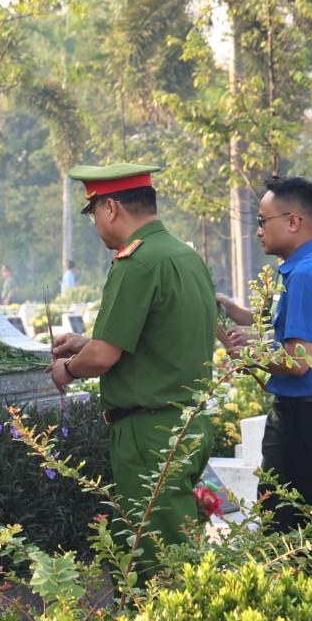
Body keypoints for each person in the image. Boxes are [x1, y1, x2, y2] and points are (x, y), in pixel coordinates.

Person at [48, 163, 216, 578]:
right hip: (188, 421)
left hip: (148, 433)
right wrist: (89, 343)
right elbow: (161, 338)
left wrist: (67, 368)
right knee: (179, 546)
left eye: (93, 214)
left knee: (155, 562)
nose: (97, 226)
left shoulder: (135, 262)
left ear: (110, 209)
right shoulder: (184, 255)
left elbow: (104, 357)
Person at [217, 176, 312, 532]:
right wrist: (257, 338)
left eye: (262, 222)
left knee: (290, 527)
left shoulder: (306, 274)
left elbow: (297, 361)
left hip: (310, 420)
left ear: (293, 221)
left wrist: (251, 354)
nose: (258, 232)